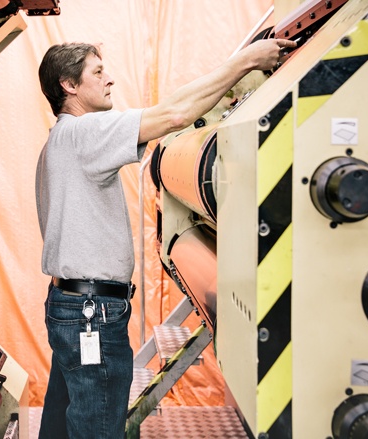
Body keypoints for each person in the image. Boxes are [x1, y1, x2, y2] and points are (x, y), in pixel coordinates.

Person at [35, 37, 296, 439]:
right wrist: (245, 62)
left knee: (63, 421)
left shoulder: (58, 141)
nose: (110, 80)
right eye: (98, 72)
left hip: (70, 307)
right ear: (69, 85)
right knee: (97, 428)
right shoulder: (85, 132)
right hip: (91, 314)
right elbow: (174, 114)